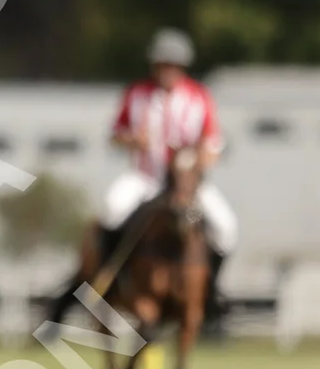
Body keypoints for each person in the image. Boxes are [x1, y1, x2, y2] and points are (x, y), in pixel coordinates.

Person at [97, 28, 237, 315]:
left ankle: (211, 290)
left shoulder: (199, 97)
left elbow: (213, 143)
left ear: (182, 67)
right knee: (111, 210)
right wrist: (132, 140)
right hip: (145, 178)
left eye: (172, 65)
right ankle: (111, 280)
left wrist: (200, 158)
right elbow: (115, 135)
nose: (167, 71)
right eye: (162, 65)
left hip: (186, 186)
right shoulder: (136, 93)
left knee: (226, 228)